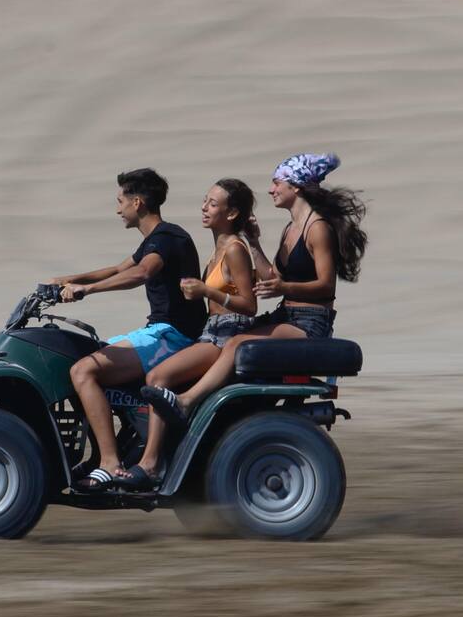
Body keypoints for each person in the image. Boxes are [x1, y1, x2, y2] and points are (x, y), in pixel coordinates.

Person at [142, 152, 367, 430]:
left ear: (296, 187)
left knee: (236, 343)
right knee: (232, 337)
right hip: (286, 316)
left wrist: (284, 287)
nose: (271, 190)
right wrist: (254, 242)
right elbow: (273, 276)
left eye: (277, 183)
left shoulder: (317, 228)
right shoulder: (291, 228)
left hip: (310, 322)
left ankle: (187, 402)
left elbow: (326, 285)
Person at [48, 168, 207, 491]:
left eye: (120, 201)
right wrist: (67, 279)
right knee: (81, 361)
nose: (117, 209)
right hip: (159, 331)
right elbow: (119, 269)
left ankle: (110, 463)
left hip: (172, 336)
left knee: (83, 371)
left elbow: (141, 273)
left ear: (137, 202)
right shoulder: (154, 240)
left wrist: (86, 290)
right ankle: (109, 450)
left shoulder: (167, 239)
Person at [117, 178, 259, 490]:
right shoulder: (219, 248)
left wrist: (207, 291)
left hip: (225, 334)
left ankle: (151, 464)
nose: (204, 208)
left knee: (157, 377)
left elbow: (250, 306)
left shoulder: (234, 249)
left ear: (231, 213)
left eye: (212, 204)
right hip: (211, 331)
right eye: (205, 200)